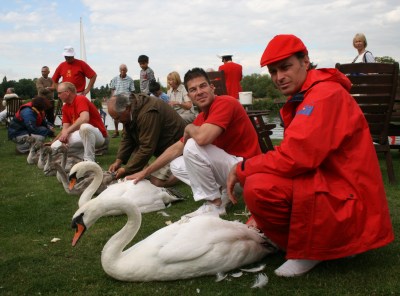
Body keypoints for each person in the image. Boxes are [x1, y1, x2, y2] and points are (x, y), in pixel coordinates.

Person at [226, 34, 394, 277]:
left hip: (346, 195)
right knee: (260, 179)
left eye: (285, 67)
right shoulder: (311, 92)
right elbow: (298, 155)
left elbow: (296, 158)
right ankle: (313, 242)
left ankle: (314, 250)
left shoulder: (323, 95)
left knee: (258, 186)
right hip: (334, 184)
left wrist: (242, 167)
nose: (278, 77)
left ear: (305, 61)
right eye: (273, 72)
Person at [125, 68, 261, 217]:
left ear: (212, 87)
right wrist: (145, 172)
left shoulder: (225, 102)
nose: (199, 92)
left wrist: (189, 127)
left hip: (247, 173)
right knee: (176, 164)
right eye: (193, 89)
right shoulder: (202, 117)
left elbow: (202, 139)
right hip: (231, 171)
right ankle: (222, 194)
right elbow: (175, 149)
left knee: (192, 145)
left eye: (203, 86)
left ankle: (214, 204)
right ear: (189, 95)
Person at [107, 92, 186, 187]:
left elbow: (147, 147)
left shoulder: (148, 113)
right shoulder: (131, 111)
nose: (117, 121)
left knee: (156, 182)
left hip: (177, 148)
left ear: (127, 108)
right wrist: (118, 161)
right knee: (140, 166)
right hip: (165, 146)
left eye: (118, 118)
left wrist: (126, 170)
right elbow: (127, 138)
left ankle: (186, 169)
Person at [51, 82, 108, 162]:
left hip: (98, 136)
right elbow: (65, 128)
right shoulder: (65, 107)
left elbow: (84, 118)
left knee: (84, 127)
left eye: (59, 93)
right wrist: (60, 138)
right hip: (82, 135)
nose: (58, 96)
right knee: (54, 147)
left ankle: (89, 160)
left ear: (67, 92)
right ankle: (79, 157)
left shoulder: (80, 99)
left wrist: (67, 132)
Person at [109, 64, 135, 138]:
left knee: (124, 115)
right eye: (121, 70)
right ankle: (116, 131)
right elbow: (112, 88)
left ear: (126, 70)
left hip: (126, 98)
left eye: (124, 70)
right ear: (119, 70)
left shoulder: (130, 79)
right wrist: (112, 96)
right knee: (115, 115)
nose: (123, 71)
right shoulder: (115, 79)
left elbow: (132, 90)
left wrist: (130, 98)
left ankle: (124, 131)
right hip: (117, 98)